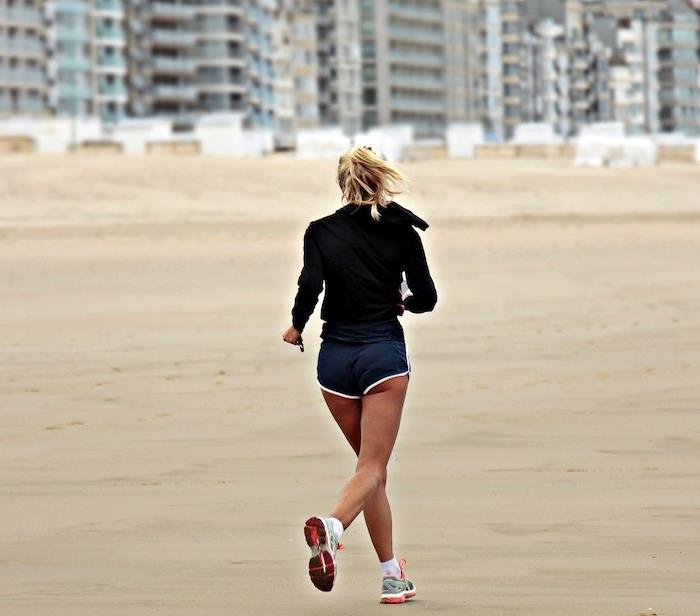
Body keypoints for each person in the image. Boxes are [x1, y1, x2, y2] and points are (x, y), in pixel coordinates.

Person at [282, 145, 437, 604]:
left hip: (334, 362)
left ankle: (393, 575)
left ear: (342, 185)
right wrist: (402, 302)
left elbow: (310, 285)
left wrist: (296, 324)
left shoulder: (320, 231)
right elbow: (426, 297)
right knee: (371, 468)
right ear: (380, 179)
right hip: (382, 359)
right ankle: (331, 529)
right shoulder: (402, 231)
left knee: (371, 473)